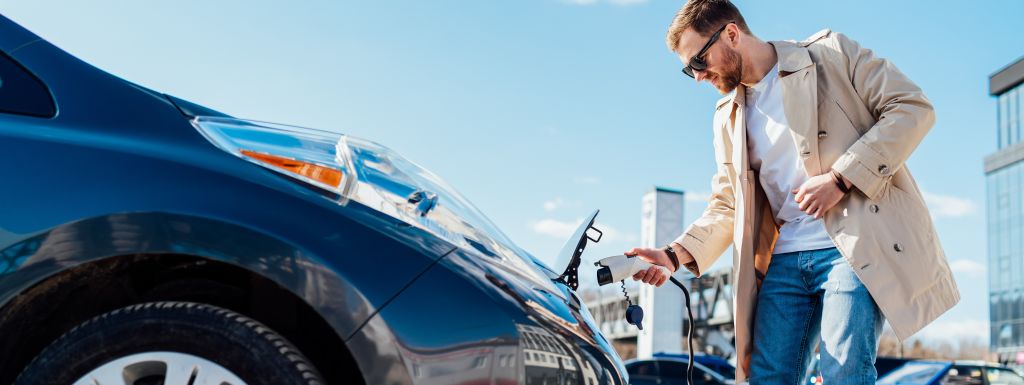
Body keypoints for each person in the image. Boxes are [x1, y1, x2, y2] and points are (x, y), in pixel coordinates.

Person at [624, 1, 960, 384]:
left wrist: (840, 178)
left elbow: (912, 107)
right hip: (785, 260)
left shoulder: (830, 54)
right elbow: (727, 204)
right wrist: (672, 255)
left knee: (845, 370)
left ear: (732, 34)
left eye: (699, 61)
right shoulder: (727, 116)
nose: (698, 77)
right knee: (767, 377)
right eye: (689, 70)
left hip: (852, 247)